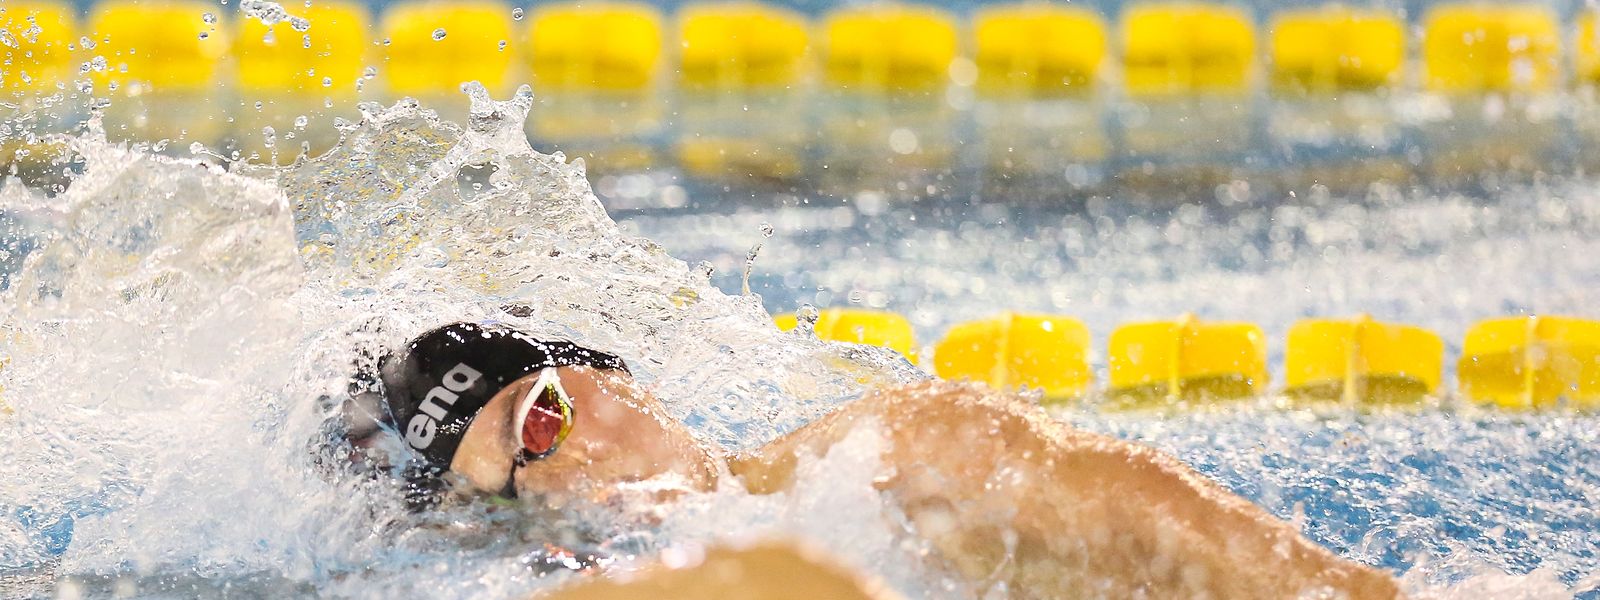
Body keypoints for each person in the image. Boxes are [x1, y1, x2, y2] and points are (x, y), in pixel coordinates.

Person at [346, 321, 1399, 599]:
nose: (568, 475)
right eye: (517, 483)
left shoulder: (901, 451)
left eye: (543, 421)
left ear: (615, 377)